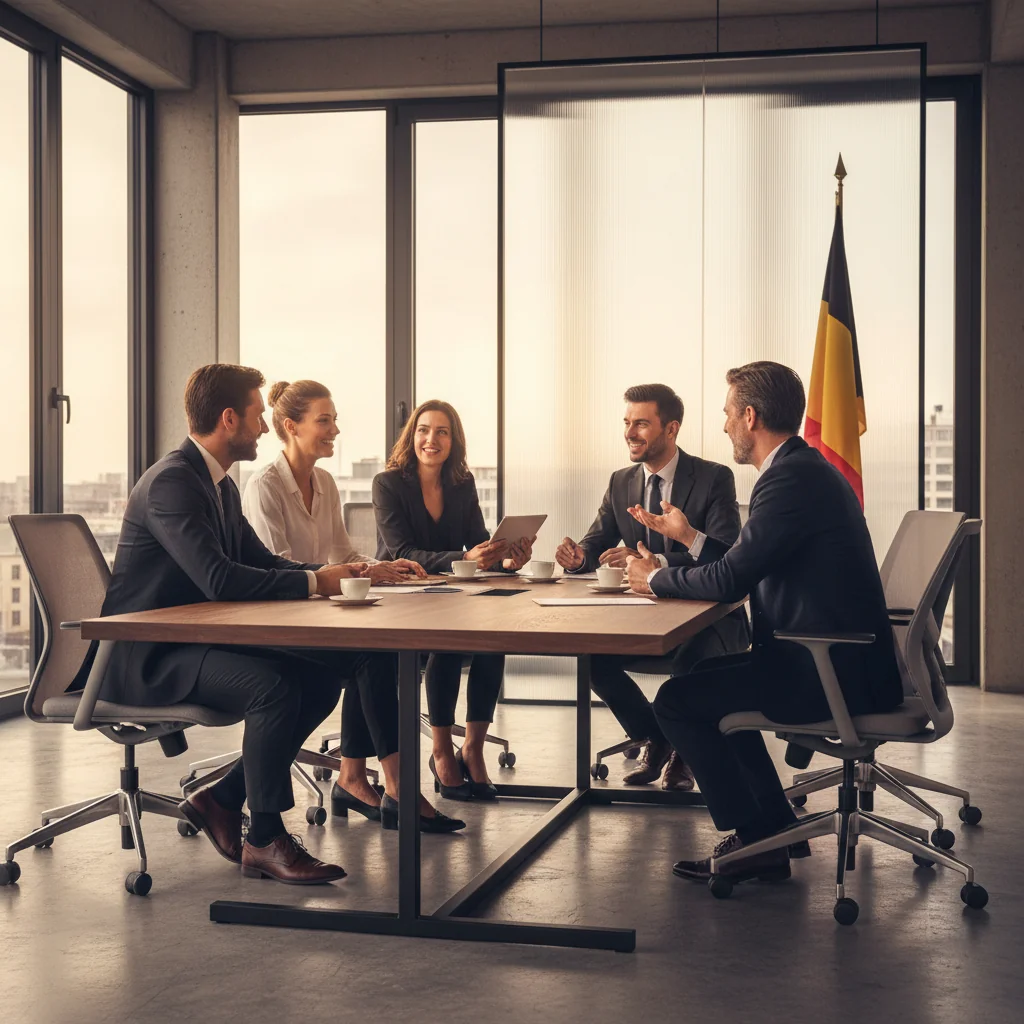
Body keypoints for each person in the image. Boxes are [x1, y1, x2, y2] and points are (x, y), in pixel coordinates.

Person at [96, 365, 461, 888]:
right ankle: (264, 838)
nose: (264, 428)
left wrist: (326, 576)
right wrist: (317, 585)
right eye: (255, 416)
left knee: (333, 668)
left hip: (197, 638)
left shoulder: (215, 483)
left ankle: (223, 798)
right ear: (228, 419)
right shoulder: (173, 483)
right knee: (272, 687)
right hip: (147, 655)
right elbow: (221, 578)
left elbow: (261, 560)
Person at [624, 361, 903, 887]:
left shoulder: (789, 480)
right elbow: (748, 560)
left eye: (729, 413)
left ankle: (758, 838)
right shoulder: (801, 470)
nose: (725, 424)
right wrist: (689, 541)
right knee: (701, 689)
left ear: (750, 416)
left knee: (677, 703)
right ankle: (775, 830)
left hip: (826, 671)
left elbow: (731, 580)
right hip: (830, 660)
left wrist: (654, 581)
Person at [242, 379, 461, 832]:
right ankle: (397, 788)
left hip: (318, 615)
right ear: (291, 426)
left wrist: (382, 565)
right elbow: (277, 570)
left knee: (375, 647)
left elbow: (341, 554)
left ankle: (355, 778)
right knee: (371, 654)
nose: (335, 430)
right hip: (277, 625)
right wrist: (354, 574)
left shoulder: (323, 482)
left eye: (334, 419)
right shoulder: (264, 485)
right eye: (325, 420)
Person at [555, 384, 750, 790]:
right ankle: (658, 736)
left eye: (641, 423)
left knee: (692, 660)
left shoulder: (714, 478)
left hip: (711, 620)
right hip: (642, 618)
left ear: (671, 428)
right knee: (591, 656)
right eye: (627, 423)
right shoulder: (621, 481)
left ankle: (684, 752)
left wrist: (654, 564)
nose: (630, 432)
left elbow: (725, 555)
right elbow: (599, 540)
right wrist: (580, 557)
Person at [373, 399, 533, 801]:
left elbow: (480, 542)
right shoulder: (388, 484)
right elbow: (400, 552)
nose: (432, 439)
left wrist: (509, 558)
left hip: (451, 594)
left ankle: (472, 747)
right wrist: (464, 558)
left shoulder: (461, 485)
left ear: (453, 440)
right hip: (401, 597)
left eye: (442, 431)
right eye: (424, 430)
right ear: (412, 436)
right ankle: (441, 750)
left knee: (493, 639)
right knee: (448, 639)